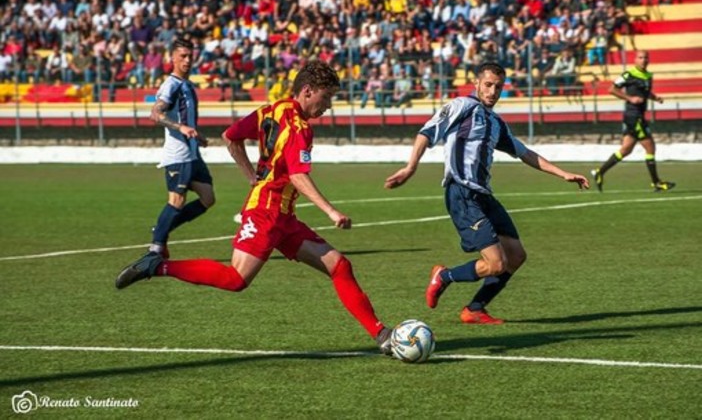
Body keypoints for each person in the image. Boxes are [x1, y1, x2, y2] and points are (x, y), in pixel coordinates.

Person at [116, 61, 393, 355]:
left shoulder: (271, 110)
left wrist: (251, 176)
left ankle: (382, 334)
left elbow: (231, 136)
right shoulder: (300, 128)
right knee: (235, 279)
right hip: (266, 214)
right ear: (308, 91)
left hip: (283, 216)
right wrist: (331, 211)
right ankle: (157, 265)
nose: (328, 106)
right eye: (326, 97)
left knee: (340, 265)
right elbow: (298, 175)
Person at [384, 62, 589, 324]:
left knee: (515, 256)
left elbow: (524, 153)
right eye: (489, 84)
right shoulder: (462, 106)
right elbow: (426, 132)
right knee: (495, 264)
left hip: (484, 196)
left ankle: (475, 309)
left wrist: (563, 174)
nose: (493, 91)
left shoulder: (496, 123)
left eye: (498, 87)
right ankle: (444, 276)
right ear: (477, 84)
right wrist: (411, 166)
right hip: (462, 192)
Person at [146, 37, 215, 258]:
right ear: (172, 58)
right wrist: (181, 128)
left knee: (208, 198)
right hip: (178, 156)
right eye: (183, 56)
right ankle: (156, 248)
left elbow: (187, 120)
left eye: (190, 56)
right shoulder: (171, 85)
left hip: (192, 154)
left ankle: (163, 228)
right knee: (176, 200)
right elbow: (156, 114)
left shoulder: (187, 85)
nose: (187, 60)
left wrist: (197, 135)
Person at [591, 50, 674, 192]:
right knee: (650, 147)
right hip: (633, 116)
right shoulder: (629, 74)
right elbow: (612, 89)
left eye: (646, 57)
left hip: (638, 115)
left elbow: (645, 92)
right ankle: (656, 183)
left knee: (626, 149)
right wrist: (630, 99)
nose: (643, 60)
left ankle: (599, 172)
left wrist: (655, 98)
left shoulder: (648, 76)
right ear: (635, 59)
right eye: (640, 57)